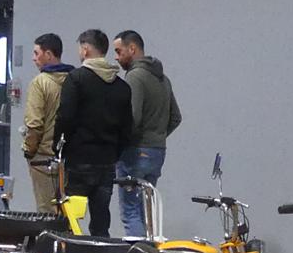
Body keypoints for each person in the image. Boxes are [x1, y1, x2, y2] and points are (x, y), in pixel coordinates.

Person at [53, 29, 131, 237]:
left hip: (79, 157)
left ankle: (69, 252)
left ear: (86, 49)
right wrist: (114, 153)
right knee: (101, 218)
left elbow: (65, 117)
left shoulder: (76, 79)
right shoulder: (122, 87)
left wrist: (58, 147)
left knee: (70, 218)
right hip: (107, 160)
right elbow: (127, 128)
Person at [112, 29, 180, 237]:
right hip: (157, 152)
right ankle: (149, 251)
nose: (116, 57)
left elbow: (133, 118)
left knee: (131, 212)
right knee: (147, 211)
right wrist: (157, 137)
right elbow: (176, 117)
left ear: (132, 49)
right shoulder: (163, 79)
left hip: (135, 153)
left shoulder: (135, 77)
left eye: (118, 51)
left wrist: (118, 144)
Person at [19, 32, 69, 214]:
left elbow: (34, 124)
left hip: (43, 159)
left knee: (46, 211)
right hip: (68, 159)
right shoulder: (73, 80)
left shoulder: (40, 83)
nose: (33, 58)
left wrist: (28, 150)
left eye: (36, 53)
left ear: (48, 54)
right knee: (66, 212)